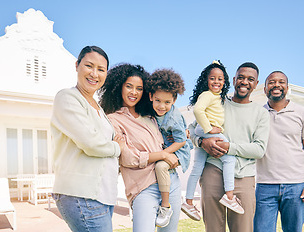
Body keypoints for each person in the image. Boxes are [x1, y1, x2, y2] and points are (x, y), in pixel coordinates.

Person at [99, 63, 181, 232]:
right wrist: (163, 155)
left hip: (171, 182)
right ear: (119, 87)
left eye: (139, 88)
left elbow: (172, 138)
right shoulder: (113, 120)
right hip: (144, 188)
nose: (134, 92)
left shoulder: (151, 116)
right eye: (129, 86)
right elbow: (128, 158)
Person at [189, 62, 270, 232]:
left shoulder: (260, 113)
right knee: (213, 228)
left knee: (243, 229)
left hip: (244, 178)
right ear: (233, 80)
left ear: (256, 84)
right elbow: (192, 130)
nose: (244, 82)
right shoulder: (218, 101)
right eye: (241, 77)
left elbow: (259, 149)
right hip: (213, 171)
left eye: (250, 79)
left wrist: (228, 147)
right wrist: (203, 142)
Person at [50, 46, 124, 232]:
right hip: (81, 195)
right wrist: (118, 148)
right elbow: (91, 143)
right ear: (77, 65)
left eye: (101, 69)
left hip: (103, 196)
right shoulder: (67, 97)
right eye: (89, 66)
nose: (94, 74)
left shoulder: (98, 107)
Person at [253, 71, 304, 232]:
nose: (276, 85)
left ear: (287, 87)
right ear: (265, 88)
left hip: (296, 185)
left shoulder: (302, 113)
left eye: (281, 82)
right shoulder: (257, 114)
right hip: (264, 185)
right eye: (271, 82)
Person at [182, 60, 244, 222]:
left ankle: (188, 202)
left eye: (220, 79)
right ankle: (229, 196)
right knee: (229, 158)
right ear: (206, 80)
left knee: (197, 168)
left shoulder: (217, 97)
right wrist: (209, 129)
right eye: (212, 78)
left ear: (225, 82)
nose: (216, 82)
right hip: (206, 130)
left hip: (202, 131)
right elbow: (197, 110)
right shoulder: (207, 95)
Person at [147, 68, 192, 227]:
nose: (162, 106)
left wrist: (162, 154)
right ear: (151, 96)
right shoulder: (149, 112)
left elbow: (181, 141)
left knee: (160, 167)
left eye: (167, 102)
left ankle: (165, 207)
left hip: (179, 151)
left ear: (174, 100)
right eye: (158, 100)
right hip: (167, 148)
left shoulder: (174, 117)